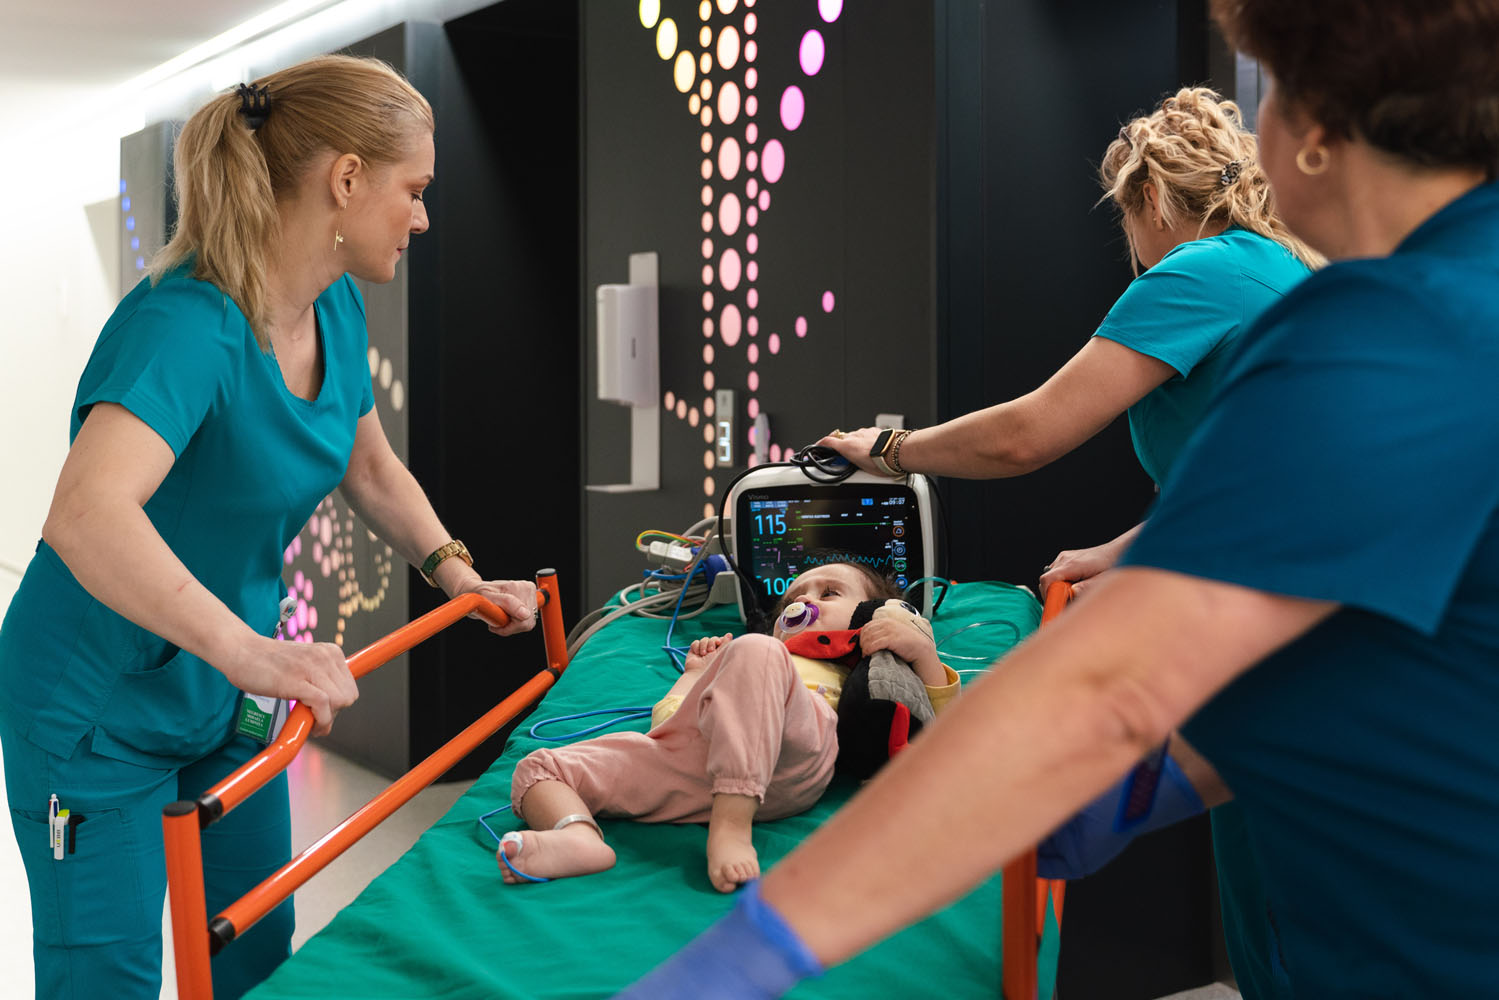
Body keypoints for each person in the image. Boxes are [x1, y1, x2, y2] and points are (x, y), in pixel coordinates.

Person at [619, 0, 1499, 996]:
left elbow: (1098, 663)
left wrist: (742, 960)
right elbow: (1332, 596)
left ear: (1313, 126)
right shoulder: (1418, 304)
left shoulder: (1381, 329)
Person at [0, 56, 538, 1000]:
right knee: (108, 977)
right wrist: (253, 652)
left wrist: (455, 572)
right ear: (346, 179)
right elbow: (86, 515)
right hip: (94, 706)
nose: (421, 218)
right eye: (414, 190)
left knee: (252, 947)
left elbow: (369, 466)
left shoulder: (335, 304)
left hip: (225, 692)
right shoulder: (183, 324)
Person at [821, 85, 1318, 997]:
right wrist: (1124, 551)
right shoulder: (1280, 270)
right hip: (1317, 615)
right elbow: (1259, 471)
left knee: (1288, 921)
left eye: (1124, 219)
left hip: (1278, 641)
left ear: (1150, 200)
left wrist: (888, 451)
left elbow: (1026, 435)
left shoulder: (1195, 273)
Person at [500, 561, 959, 893]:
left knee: (756, 651)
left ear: (871, 613)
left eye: (829, 593)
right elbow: (669, 725)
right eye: (793, 599)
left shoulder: (854, 661)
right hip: (696, 763)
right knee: (539, 767)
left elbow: (936, 720)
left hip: (791, 757)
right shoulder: (754, 651)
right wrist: (694, 677)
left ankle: (732, 826)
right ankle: (577, 835)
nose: (804, 601)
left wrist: (922, 652)